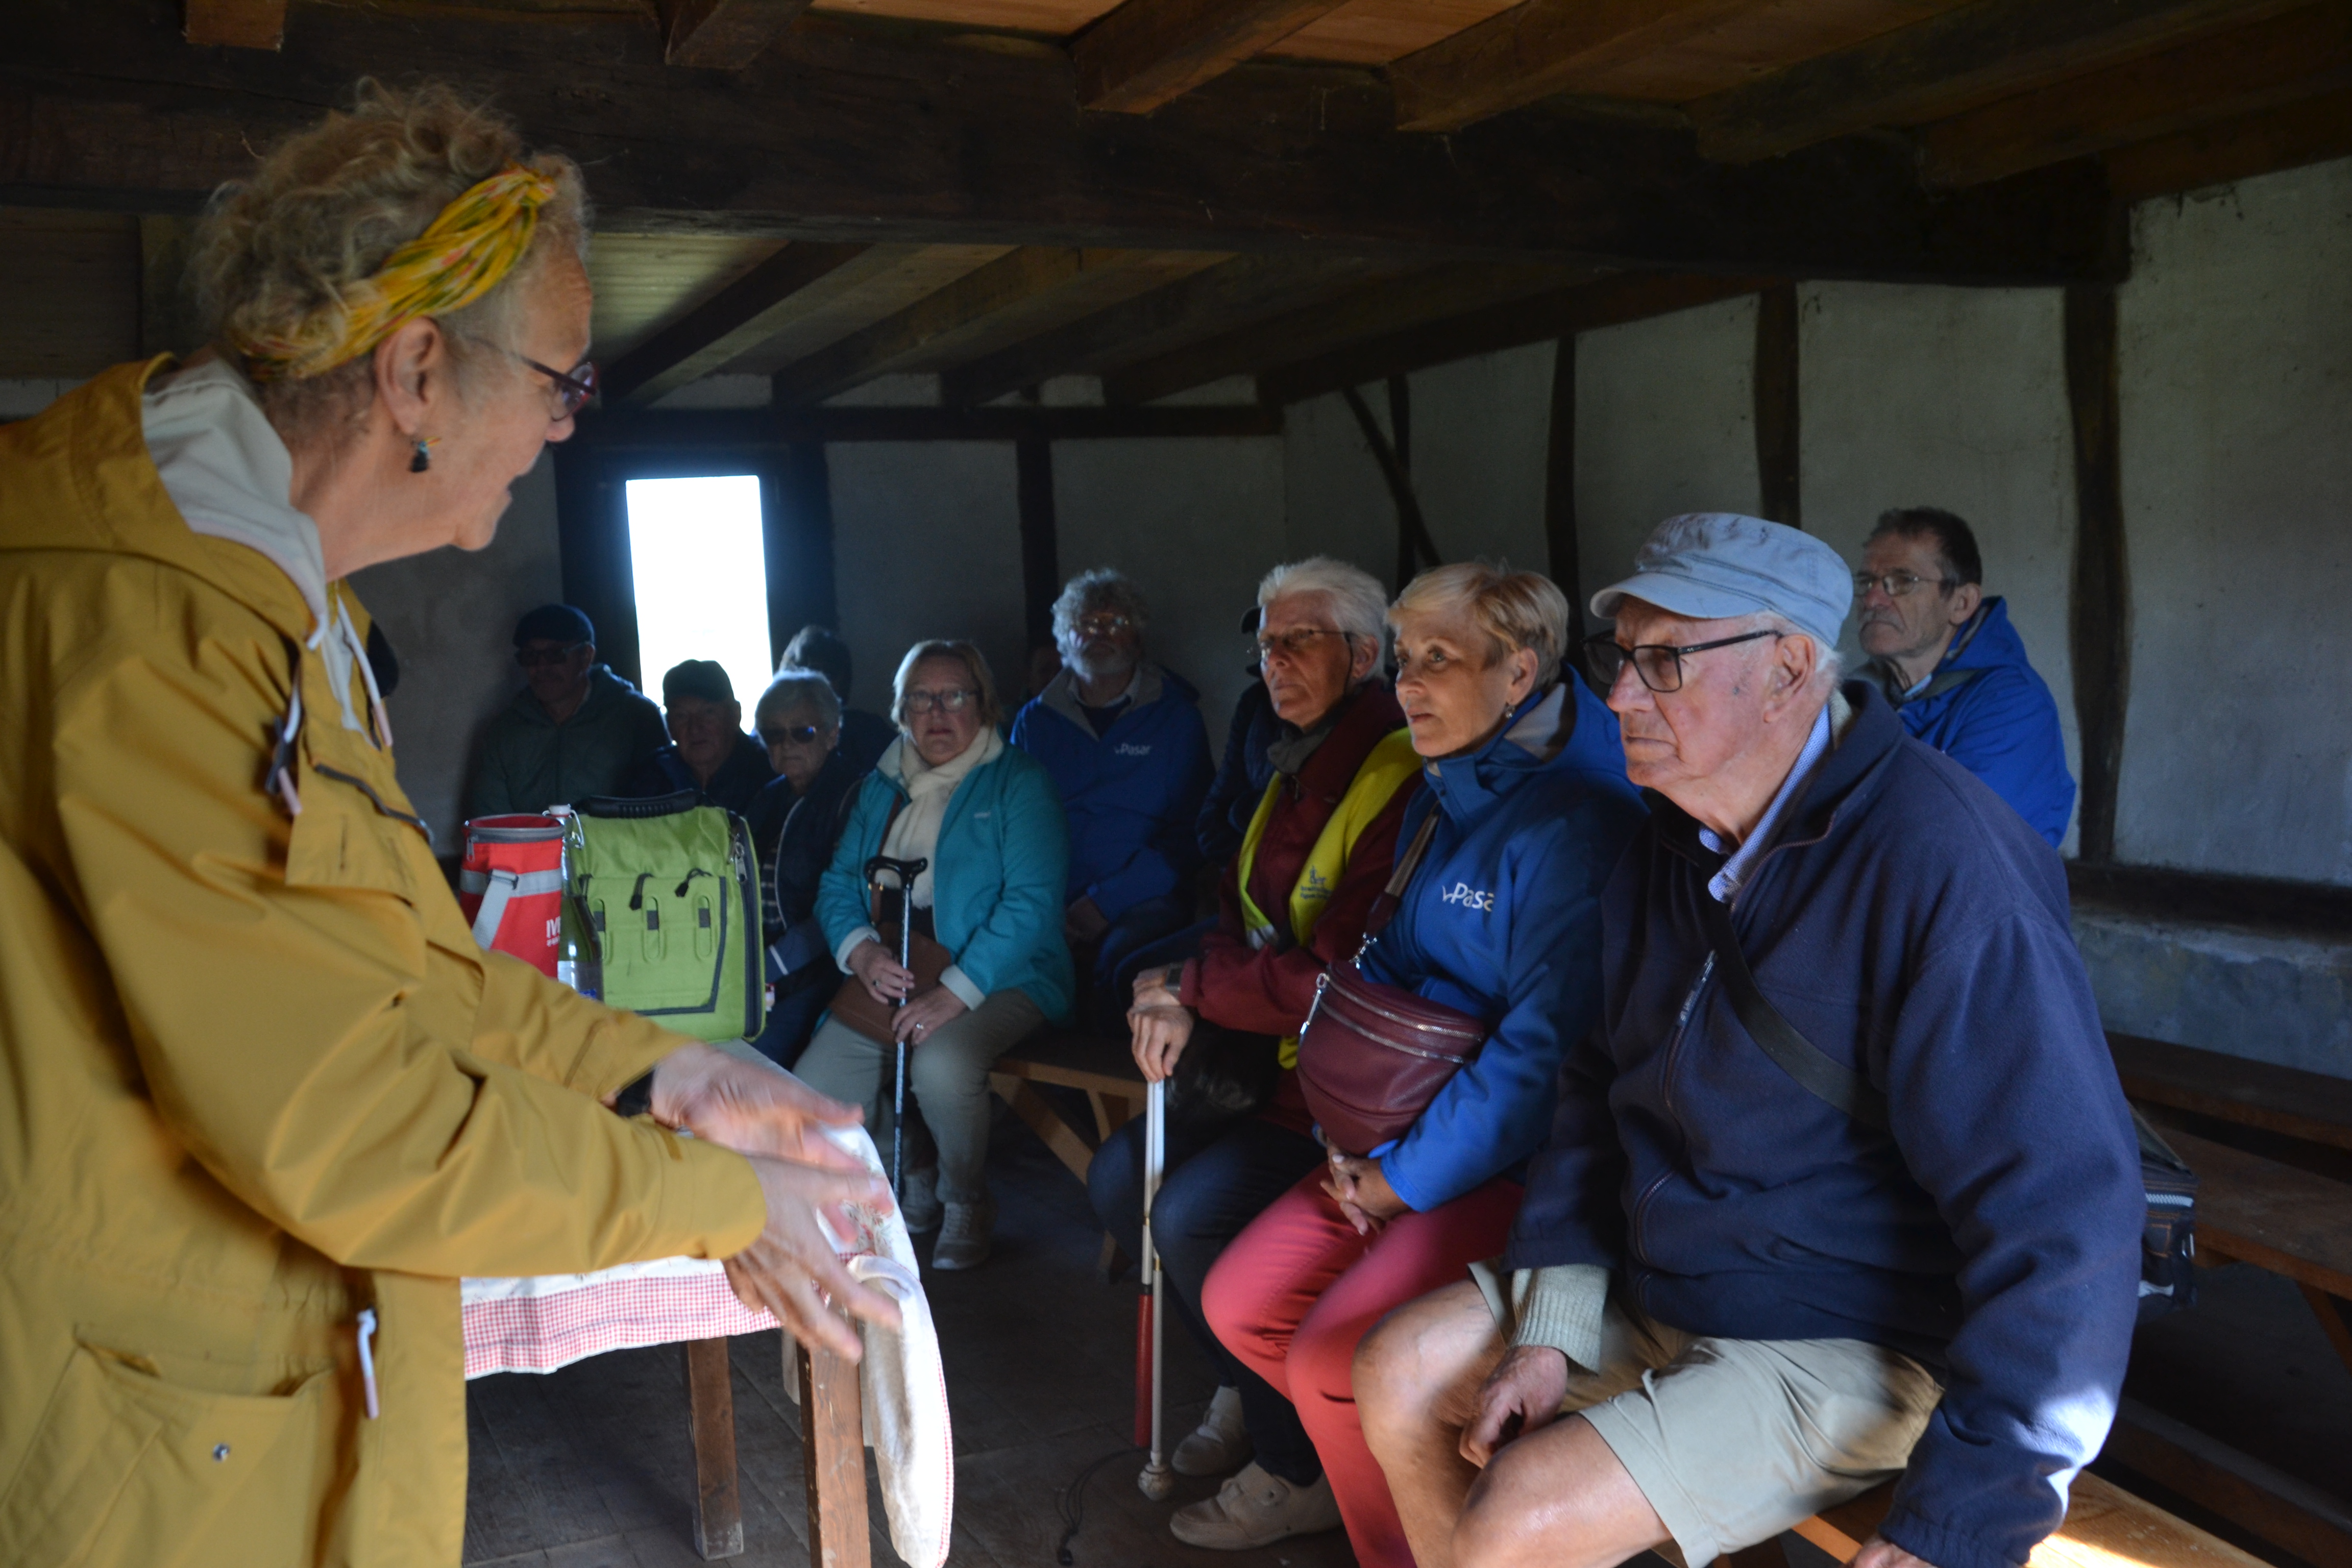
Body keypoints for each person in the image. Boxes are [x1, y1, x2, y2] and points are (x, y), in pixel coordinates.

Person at [0, 83, 898, 1568]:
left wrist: (661, 1068)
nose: (564, 422)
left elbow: (409, 962)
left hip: (241, 1393)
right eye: (561, 379)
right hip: (148, 1446)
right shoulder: (150, 617)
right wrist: (720, 1196)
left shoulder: (280, 592)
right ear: (416, 370)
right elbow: (350, 1120)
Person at [1354, 513, 2144, 1568]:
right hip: (1674, 1281)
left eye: (1664, 662)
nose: (1618, 698)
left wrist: (1967, 1518)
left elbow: (2065, 1206)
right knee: (1399, 1370)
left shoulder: (1944, 865)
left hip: (1855, 1332)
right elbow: (1593, 1083)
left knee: (1518, 1515)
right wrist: (1554, 1317)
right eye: (1620, 658)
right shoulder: (1666, 844)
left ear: (1786, 671)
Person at [1199, 563, 1644, 1562]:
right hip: (1396, 1131)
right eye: (1403, 659)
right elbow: (1384, 962)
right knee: (1240, 1305)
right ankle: (1426, 1501)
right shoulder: (1441, 788)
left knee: (1330, 1363)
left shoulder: (1577, 822)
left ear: (1518, 672)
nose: (1407, 684)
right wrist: (1347, 1128)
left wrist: (1400, 1178)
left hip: (1515, 1165)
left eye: (1438, 659)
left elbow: (1543, 1059)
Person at [1089, 556, 1423, 1547]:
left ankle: (1297, 1465)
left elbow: (1333, 974)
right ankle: (1243, 1381)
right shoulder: (1290, 758)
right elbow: (1245, 923)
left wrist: (1193, 987)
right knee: (1120, 1180)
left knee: (1188, 1215)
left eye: (1297, 642)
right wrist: (1181, 984)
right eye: (1266, 645)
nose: (1272, 662)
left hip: (1341, 1096)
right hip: (1267, 1068)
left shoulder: (1394, 776)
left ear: (1364, 654)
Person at [801, 641, 1073, 1270]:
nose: (938, 713)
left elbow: (1032, 904)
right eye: (921, 699)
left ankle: (965, 1199)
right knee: (817, 1089)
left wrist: (955, 992)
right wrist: (862, 953)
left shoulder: (1019, 782)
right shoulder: (881, 784)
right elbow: (838, 883)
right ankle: (914, 1160)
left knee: (941, 1065)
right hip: (896, 967)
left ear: (984, 703)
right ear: (902, 711)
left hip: (1003, 975)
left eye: (955, 696)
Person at [1011, 568, 1213, 1017]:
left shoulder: (1176, 719)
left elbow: (1190, 834)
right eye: (1086, 623)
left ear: (1137, 641)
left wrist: (1105, 902)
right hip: (1049, 895)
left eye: (1116, 623)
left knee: (1122, 965)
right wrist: (1050, 903)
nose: (1100, 633)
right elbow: (1014, 824)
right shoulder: (1034, 721)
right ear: (1064, 641)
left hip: (1145, 897)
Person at [1855, 506, 2075, 847]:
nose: (1872, 599)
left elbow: (1947, 846)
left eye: (1902, 582)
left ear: (1961, 603)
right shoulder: (1852, 692)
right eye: (1867, 582)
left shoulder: (2014, 707)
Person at [747, 669, 865, 1068]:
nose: (787, 744)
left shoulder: (854, 797)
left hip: (825, 971)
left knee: (754, 1062)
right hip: (765, 971)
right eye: (774, 734)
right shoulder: (768, 798)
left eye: (803, 732)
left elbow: (845, 902)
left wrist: (771, 966)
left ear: (832, 734)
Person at [463, 602, 669, 819]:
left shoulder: (637, 716)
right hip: (530, 842)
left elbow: (661, 808)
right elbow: (492, 820)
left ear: (586, 656)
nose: (542, 667)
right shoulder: (504, 731)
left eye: (555, 654)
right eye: (531, 656)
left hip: (617, 842)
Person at [626, 657, 774, 816]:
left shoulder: (767, 772)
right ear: (669, 726)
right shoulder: (653, 775)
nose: (695, 728)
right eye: (681, 716)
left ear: (735, 715)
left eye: (708, 712)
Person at [781, 623, 898, 777]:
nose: (820, 688)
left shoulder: (868, 733)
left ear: (844, 680)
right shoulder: (772, 735)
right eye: (810, 677)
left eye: (828, 675)